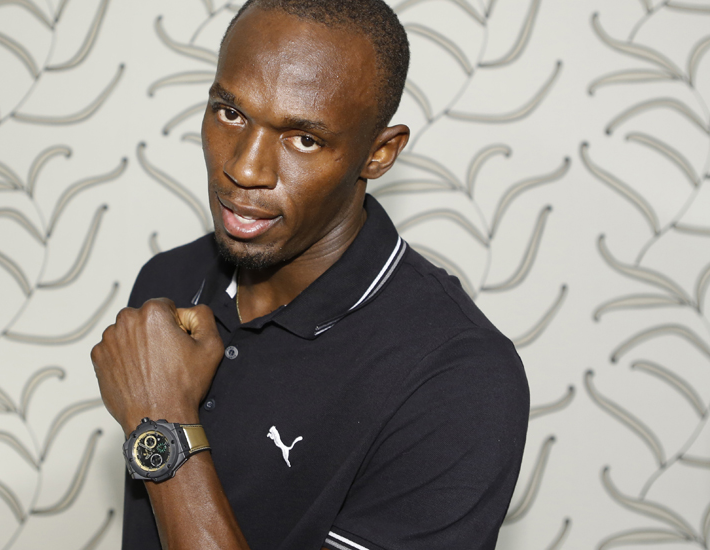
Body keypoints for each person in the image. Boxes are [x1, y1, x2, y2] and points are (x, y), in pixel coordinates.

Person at [90, 0, 529, 548]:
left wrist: (163, 421)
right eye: (231, 113)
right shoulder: (170, 281)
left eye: (304, 139)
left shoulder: (459, 379)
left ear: (379, 154)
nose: (244, 168)